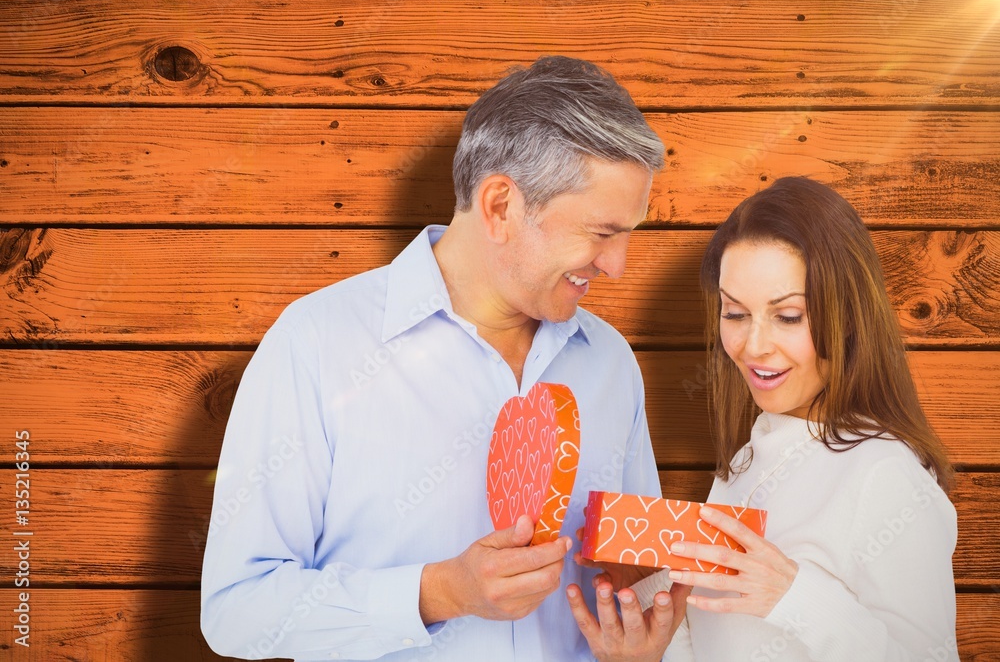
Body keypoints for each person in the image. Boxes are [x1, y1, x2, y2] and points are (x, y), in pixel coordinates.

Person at [201, 55, 686, 661]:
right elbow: (236, 611)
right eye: (602, 232)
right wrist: (437, 593)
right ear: (501, 205)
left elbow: (637, 582)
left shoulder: (610, 361)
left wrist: (649, 631)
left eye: (630, 234)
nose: (617, 266)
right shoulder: (319, 343)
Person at [570, 176, 958, 661]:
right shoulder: (748, 461)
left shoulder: (886, 474)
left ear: (849, 315)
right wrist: (651, 600)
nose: (753, 346)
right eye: (734, 313)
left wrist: (794, 595)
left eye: (788, 316)